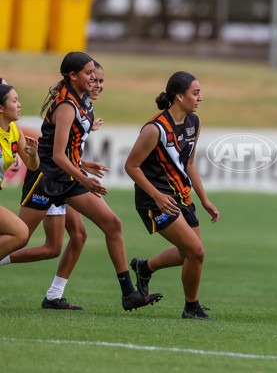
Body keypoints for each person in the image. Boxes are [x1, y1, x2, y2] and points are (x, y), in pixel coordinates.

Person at [15, 51, 162, 312]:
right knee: (19, 237)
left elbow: (66, 150)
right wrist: (85, 177)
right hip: (46, 179)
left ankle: (128, 293)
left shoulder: (83, 101)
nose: (94, 79)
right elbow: (56, 155)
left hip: (68, 177)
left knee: (110, 225)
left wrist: (83, 164)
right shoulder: (66, 106)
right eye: (89, 73)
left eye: (95, 73)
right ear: (73, 76)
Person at [125, 71, 219, 320]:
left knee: (187, 253)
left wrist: (204, 200)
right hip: (156, 200)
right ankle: (191, 307)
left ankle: (144, 267)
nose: (200, 98)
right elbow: (131, 166)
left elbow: (189, 164)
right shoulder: (154, 129)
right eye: (195, 93)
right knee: (196, 252)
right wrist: (156, 195)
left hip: (182, 197)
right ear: (179, 96)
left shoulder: (194, 123)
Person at [0, 80, 39, 260]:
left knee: (21, 234)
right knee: (20, 232)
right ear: (1, 108)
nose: (19, 104)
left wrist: (32, 154)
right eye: (14, 101)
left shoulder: (15, 131)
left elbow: (33, 166)